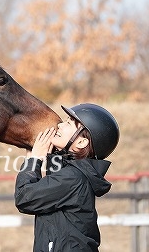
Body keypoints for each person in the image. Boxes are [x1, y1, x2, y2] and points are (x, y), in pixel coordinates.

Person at [14, 103, 119, 252]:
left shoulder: (73, 178)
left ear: (82, 142)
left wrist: (33, 161)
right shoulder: (71, 173)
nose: (61, 125)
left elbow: (24, 198)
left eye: (69, 123)